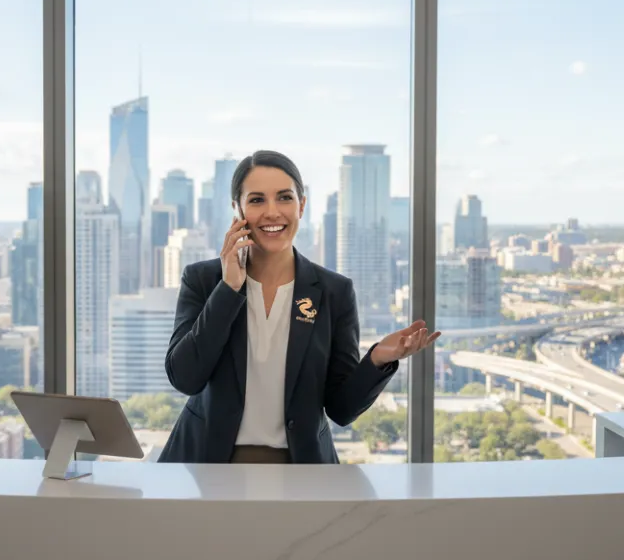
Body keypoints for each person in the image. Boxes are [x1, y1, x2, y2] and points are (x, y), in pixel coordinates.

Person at [159, 150, 439, 464]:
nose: (272, 212)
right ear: (236, 209)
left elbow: (341, 409)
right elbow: (185, 378)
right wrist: (229, 289)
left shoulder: (334, 292)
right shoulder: (203, 280)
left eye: (284, 198)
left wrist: (376, 360)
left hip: (300, 468)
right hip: (207, 465)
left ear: (301, 205)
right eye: (256, 200)